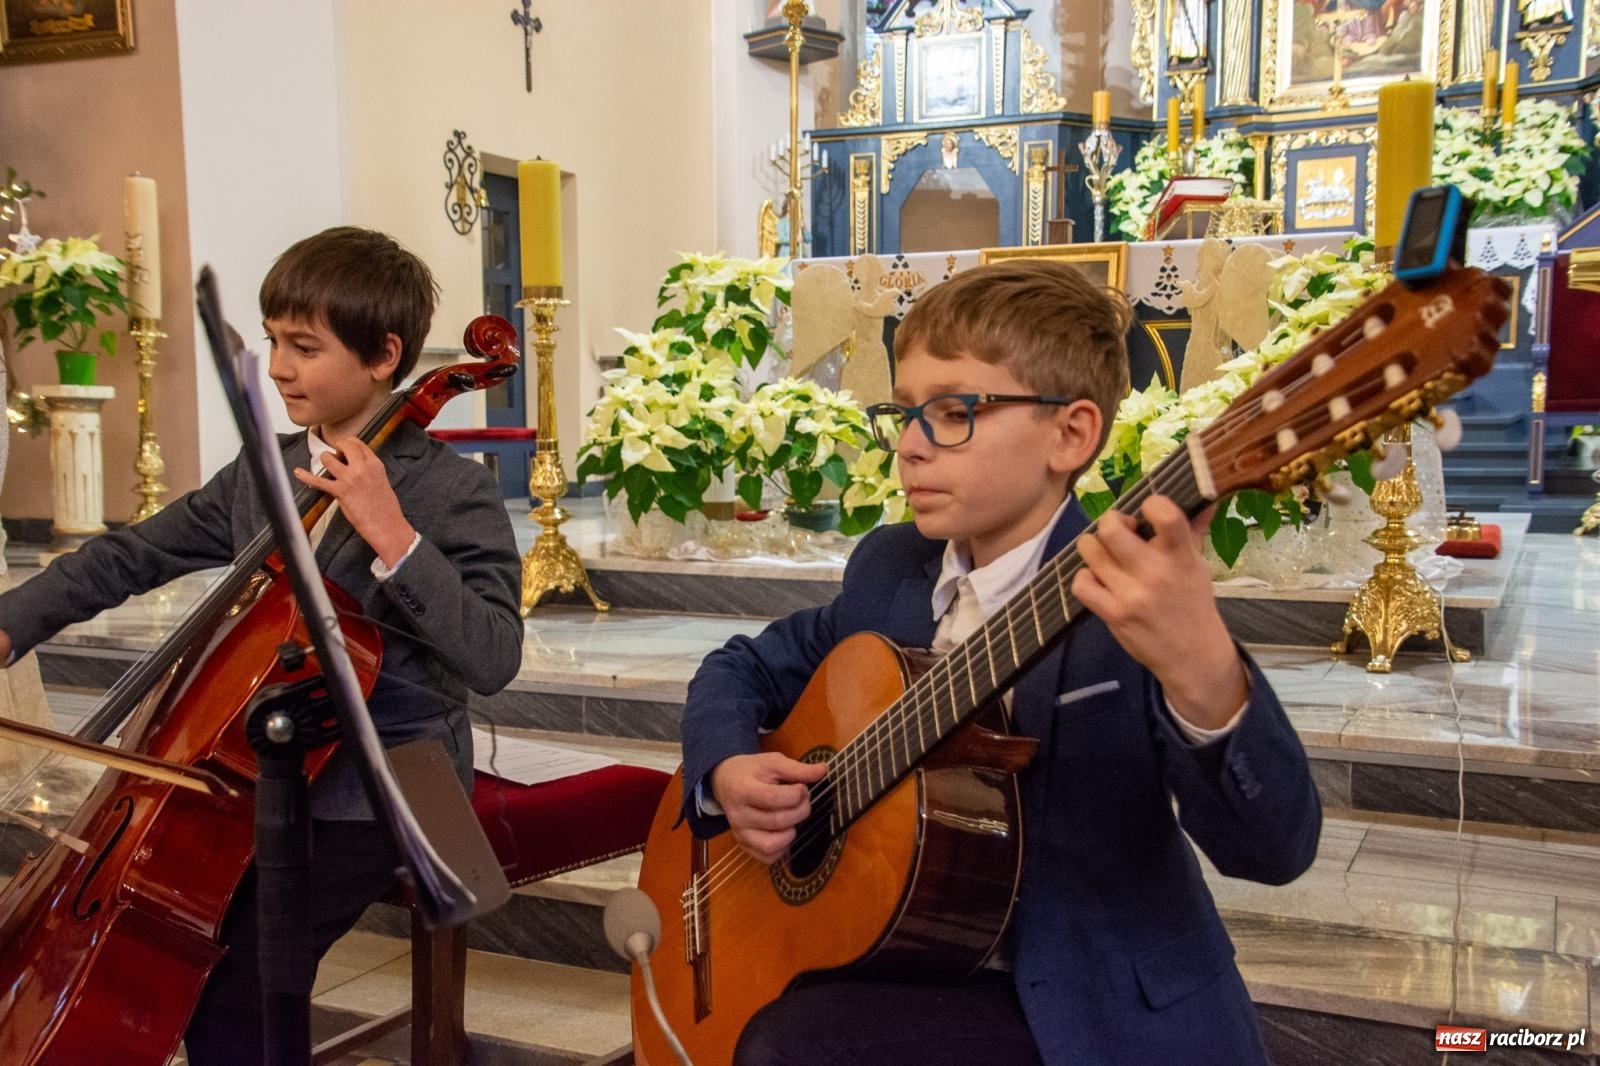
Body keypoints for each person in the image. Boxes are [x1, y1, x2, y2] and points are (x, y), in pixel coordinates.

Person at [679, 259, 1321, 1065]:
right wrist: (726, 768)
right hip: (917, 959)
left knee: (787, 1045)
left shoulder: (1130, 603)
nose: (910, 448)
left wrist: (1204, 675)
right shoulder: (890, 571)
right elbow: (740, 665)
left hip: (1096, 1010)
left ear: (1072, 433)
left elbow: (1274, 851)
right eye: (905, 413)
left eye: (953, 413)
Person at [0, 226, 524, 1063]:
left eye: (303, 347)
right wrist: (11, 622)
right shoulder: (264, 470)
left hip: (383, 783)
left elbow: (494, 657)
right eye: (274, 340)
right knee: (181, 944)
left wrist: (392, 535)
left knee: (232, 983)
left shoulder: (450, 491)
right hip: (247, 770)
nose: (277, 367)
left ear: (386, 355)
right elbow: (134, 553)